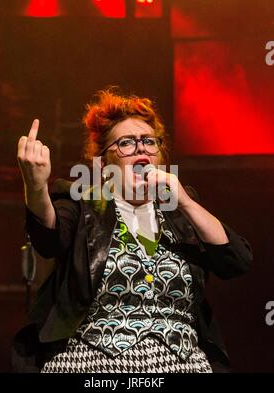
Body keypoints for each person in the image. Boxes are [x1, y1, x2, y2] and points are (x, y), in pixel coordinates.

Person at [13, 89, 252, 373]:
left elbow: (236, 261)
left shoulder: (181, 212)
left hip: (184, 364)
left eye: (149, 142)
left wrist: (184, 201)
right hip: (95, 365)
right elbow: (49, 238)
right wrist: (36, 186)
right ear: (103, 163)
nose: (141, 148)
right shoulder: (81, 204)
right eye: (126, 143)